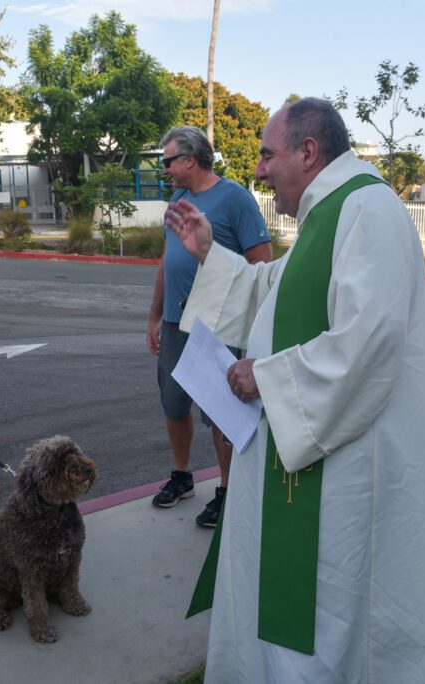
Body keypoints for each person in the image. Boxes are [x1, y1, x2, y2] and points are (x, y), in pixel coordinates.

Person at [168, 98, 425, 682]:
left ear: (309, 152)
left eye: (268, 155)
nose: (261, 170)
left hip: (343, 473)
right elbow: (281, 287)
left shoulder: (367, 209)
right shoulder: (334, 212)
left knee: (327, 610)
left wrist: (262, 377)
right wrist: (209, 254)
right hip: (307, 456)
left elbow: (368, 340)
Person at [147, 125, 272, 528]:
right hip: (174, 322)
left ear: (190, 159)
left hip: (217, 324)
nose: (164, 168)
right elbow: (167, 261)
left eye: (168, 161)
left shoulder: (236, 199)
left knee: (222, 412)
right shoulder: (180, 198)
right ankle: (182, 476)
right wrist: (154, 316)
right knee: (173, 403)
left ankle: (227, 490)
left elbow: (262, 264)